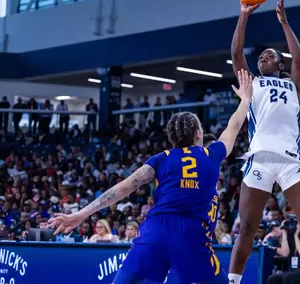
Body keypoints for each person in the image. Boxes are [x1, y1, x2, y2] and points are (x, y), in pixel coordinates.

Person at [47, 69, 254, 284]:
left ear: (172, 138)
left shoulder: (160, 159)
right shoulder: (212, 154)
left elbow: (123, 188)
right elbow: (233, 127)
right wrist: (245, 100)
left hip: (156, 230)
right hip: (191, 235)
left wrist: (81, 214)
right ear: (199, 134)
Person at [228, 0, 300, 284]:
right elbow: (236, 53)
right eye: (261, 57)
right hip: (260, 158)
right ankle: (233, 281)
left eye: (269, 55)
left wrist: (285, 23)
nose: (263, 58)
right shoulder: (251, 82)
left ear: (280, 63)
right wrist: (243, 15)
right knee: (247, 226)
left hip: (289, 160)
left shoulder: (293, 85)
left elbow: (299, 58)